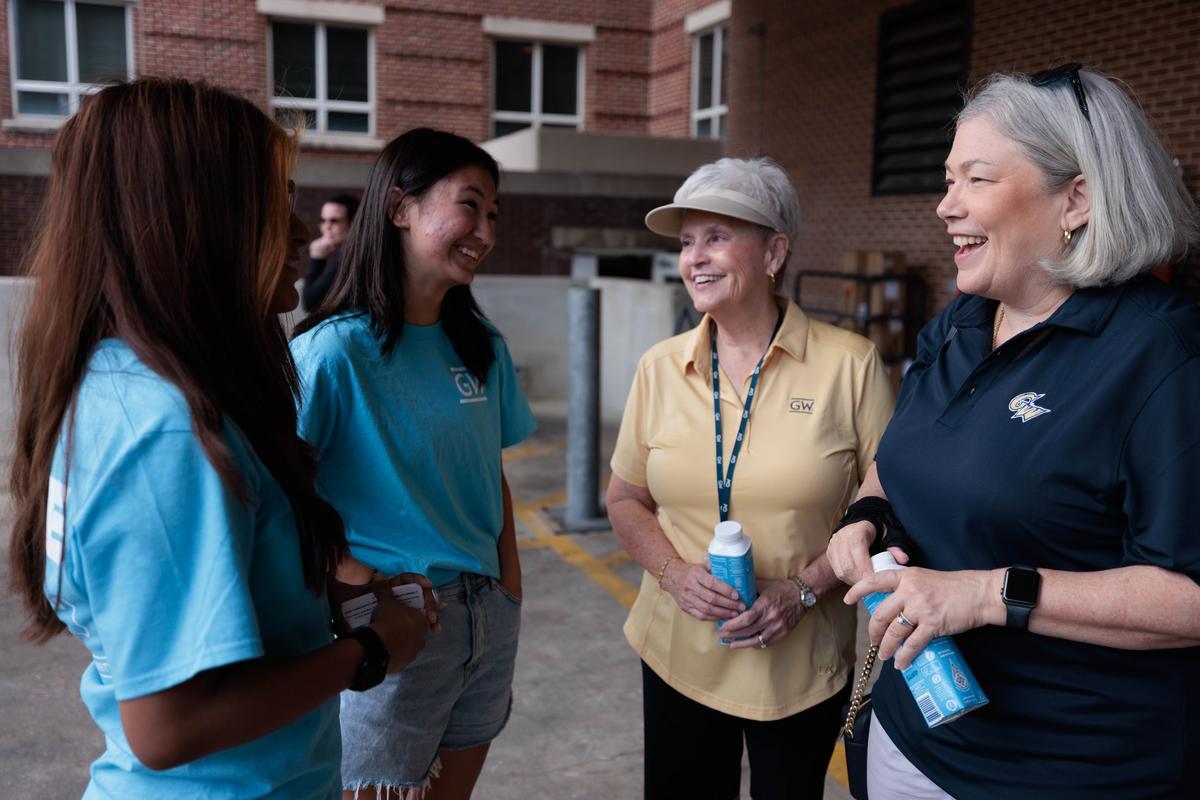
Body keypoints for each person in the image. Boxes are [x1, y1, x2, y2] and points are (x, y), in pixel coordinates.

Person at [7, 78, 431, 798]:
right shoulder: (162, 429)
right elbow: (169, 726)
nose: (301, 232)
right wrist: (370, 649)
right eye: (276, 200)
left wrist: (320, 599)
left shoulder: (141, 388)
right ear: (195, 220)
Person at [827, 65, 1200, 800]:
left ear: (1077, 197)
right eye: (947, 179)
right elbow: (899, 460)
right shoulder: (961, 322)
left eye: (976, 179)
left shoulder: (1165, 356)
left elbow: (1188, 595)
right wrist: (864, 518)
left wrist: (990, 593)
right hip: (912, 733)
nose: (944, 205)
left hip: (1068, 770)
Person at [606, 157, 895, 799]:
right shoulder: (659, 367)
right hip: (679, 654)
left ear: (774, 252)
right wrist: (673, 575)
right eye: (686, 242)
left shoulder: (850, 366)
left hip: (802, 665)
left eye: (716, 237)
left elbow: (888, 506)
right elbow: (624, 497)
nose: (695, 258)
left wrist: (804, 590)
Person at [290, 127, 536, 800]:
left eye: (493, 215)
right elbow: (281, 496)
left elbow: (491, 472)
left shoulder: (480, 344)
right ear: (400, 208)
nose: (485, 230)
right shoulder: (334, 354)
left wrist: (508, 583)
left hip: (487, 615)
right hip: (396, 619)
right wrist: (364, 584)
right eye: (470, 205)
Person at [303, 194, 359, 311]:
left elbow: (311, 303)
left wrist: (316, 260)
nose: (326, 226)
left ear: (353, 222)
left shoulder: (349, 256)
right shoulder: (344, 253)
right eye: (322, 220)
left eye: (334, 221)